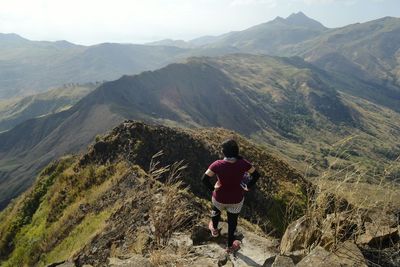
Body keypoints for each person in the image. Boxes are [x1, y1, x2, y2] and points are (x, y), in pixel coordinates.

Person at [201, 139, 260, 253]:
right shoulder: (244, 163)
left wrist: (213, 188)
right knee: (232, 222)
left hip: (219, 197)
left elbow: (204, 179)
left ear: (224, 152)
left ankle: (214, 229)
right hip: (236, 199)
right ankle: (229, 246)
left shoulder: (217, 164)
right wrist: (248, 186)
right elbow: (256, 175)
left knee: (216, 210)